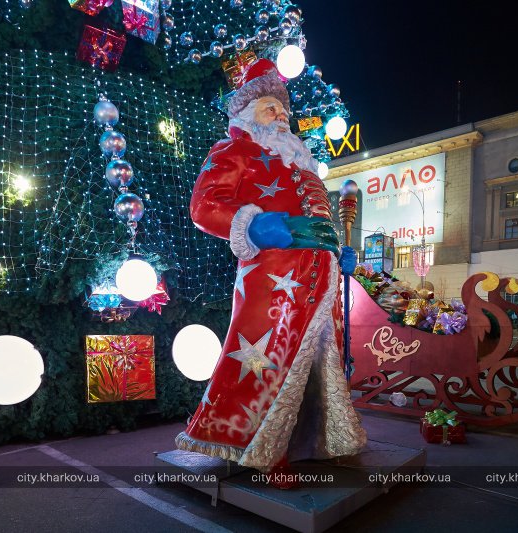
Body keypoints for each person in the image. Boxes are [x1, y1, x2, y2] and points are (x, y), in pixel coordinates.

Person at [176, 59, 366, 482]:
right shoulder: (233, 152)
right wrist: (257, 224)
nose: (281, 116)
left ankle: (316, 441)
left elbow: (320, 224)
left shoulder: (304, 166)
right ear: (246, 114)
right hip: (272, 285)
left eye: (282, 110)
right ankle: (263, 449)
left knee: (318, 363)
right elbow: (203, 207)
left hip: (321, 284)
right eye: (269, 108)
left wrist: (338, 252)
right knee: (268, 360)